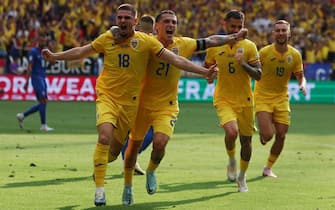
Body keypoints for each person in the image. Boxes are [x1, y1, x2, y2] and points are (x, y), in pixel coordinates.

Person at [41, 4, 217, 207]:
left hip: (131, 104)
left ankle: (106, 166)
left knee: (114, 153)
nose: (123, 21)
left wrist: (203, 72)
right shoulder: (107, 38)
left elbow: (175, 59)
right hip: (107, 97)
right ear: (116, 20)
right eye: (120, 17)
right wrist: (55, 56)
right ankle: (100, 191)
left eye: (127, 18)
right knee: (104, 136)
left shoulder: (145, 42)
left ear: (135, 21)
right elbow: (83, 51)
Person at [122, 9, 249, 205]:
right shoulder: (146, 43)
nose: (171, 25)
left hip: (167, 105)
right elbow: (123, 35)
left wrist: (234, 36)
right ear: (157, 26)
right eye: (166, 21)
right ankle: (128, 186)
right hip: (141, 104)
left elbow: (210, 41)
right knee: (132, 149)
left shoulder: (183, 44)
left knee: (160, 144)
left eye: (174, 22)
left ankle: (151, 170)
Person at [204, 10, 262, 193]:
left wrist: (243, 64)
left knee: (246, 141)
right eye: (233, 26)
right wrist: (210, 74)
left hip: (245, 100)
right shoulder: (214, 45)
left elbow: (259, 75)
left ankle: (242, 176)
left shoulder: (250, 46)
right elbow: (208, 67)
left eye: (239, 26)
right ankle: (231, 161)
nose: (236, 30)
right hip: (223, 98)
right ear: (225, 25)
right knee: (231, 132)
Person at [254, 20, 307, 178]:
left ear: (289, 33)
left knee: (282, 135)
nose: (281, 33)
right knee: (268, 135)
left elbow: (300, 77)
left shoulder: (295, 55)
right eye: (278, 30)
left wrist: (302, 85)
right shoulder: (264, 53)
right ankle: (264, 134)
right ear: (273, 34)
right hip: (263, 96)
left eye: (284, 30)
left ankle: (268, 168)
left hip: (282, 97)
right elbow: (254, 71)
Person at [119, 14, 156, 176]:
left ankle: (129, 161)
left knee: (127, 130)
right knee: (153, 129)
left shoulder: (127, 39)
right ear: (154, 30)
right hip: (143, 92)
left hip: (128, 90)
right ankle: (130, 159)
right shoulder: (154, 43)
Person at [16, 33, 54, 132]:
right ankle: (43, 125)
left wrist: (51, 60)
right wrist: (27, 81)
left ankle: (22, 116)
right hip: (36, 78)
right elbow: (30, 66)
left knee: (43, 102)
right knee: (43, 101)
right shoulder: (33, 51)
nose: (43, 42)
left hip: (42, 77)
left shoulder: (45, 52)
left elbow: (48, 65)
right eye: (41, 40)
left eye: (44, 40)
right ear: (38, 41)